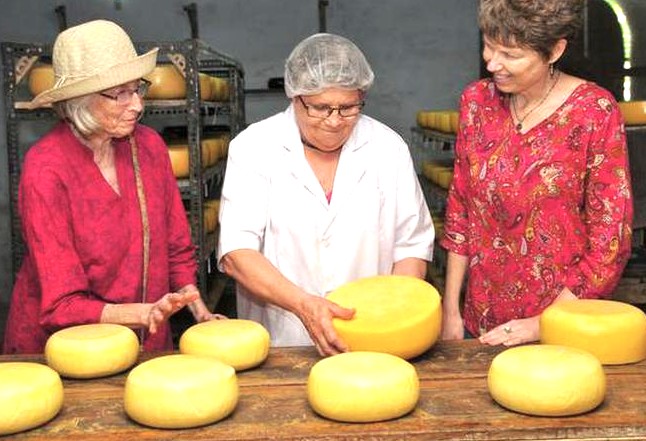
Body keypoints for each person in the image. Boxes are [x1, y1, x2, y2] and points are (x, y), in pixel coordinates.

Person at [3, 20, 221, 354]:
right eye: (120, 93)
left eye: (137, 89)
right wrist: (142, 312)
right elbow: (62, 304)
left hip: (147, 333)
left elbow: (176, 245)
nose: (137, 105)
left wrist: (197, 308)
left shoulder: (148, 147)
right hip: (68, 350)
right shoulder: (46, 169)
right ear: (79, 100)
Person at [217, 33, 434, 356]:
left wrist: (394, 319)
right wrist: (303, 305)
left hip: (371, 338)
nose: (334, 121)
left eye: (348, 108)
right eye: (320, 108)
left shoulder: (387, 149)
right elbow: (237, 253)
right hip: (284, 339)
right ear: (295, 97)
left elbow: (411, 245)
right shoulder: (254, 149)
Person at [440, 0, 633, 347]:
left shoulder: (593, 112)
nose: (492, 62)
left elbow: (610, 240)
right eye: (488, 45)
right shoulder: (477, 103)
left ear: (555, 50)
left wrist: (544, 324)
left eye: (510, 54)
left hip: (562, 324)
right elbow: (461, 210)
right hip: (479, 321)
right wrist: (451, 309)